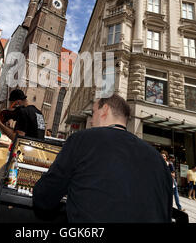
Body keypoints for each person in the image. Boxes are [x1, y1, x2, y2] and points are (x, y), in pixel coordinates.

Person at [33, 94, 173, 223]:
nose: (92, 121)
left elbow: (44, 197)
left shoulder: (82, 139)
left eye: (93, 113)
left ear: (105, 109)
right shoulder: (158, 158)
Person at [0, 89, 46, 223]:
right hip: (34, 162)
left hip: (19, 160)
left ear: (17, 102)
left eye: (12, 105)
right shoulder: (39, 113)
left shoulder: (23, 112)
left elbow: (17, 138)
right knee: (13, 201)